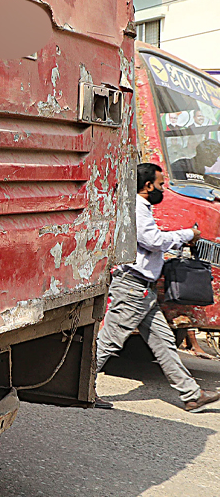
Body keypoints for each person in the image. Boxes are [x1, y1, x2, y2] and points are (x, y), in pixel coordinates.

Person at [94, 163, 220, 412]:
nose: (163, 189)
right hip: (132, 288)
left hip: (142, 289)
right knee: (108, 342)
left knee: (164, 343)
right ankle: (82, 388)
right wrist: (185, 235)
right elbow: (151, 240)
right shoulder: (138, 208)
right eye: (161, 184)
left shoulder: (142, 207)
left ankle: (192, 396)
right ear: (148, 185)